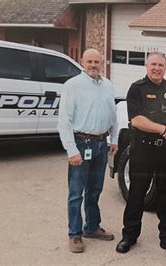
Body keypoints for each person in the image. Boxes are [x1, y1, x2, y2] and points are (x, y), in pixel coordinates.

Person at [115, 52, 166, 259]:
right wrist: (162, 129)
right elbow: (137, 120)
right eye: (153, 64)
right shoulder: (137, 88)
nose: (157, 68)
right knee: (136, 195)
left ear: (165, 68)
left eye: (160, 65)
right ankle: (129, 236)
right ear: (147, 66)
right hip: (143, 150)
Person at [57, 48, 118, 253]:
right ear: (82, 62)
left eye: (97, 62)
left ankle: (91, 227)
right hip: (81, 144)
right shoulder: (72, 86)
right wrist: (71, 150)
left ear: (102, 63)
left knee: (95, 190)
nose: (93, 65)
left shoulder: (108, 85)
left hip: (101, 145)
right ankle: (74, 234)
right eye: (89, 61)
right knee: (76, 193)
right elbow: (63, 121)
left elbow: (113, 114)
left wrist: (114, 138)